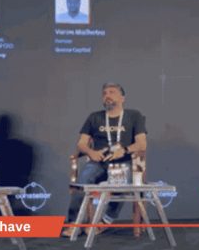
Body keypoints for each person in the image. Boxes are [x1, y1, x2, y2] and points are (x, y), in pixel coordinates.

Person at [62, 83, 148, 238]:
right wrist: (91, 152)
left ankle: (104, 221)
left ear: (122, 98)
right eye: (104, 93)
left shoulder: (134, 116)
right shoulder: (94, 117)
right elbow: (82, 144)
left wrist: (124, 150)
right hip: (99, 162)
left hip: (124, 162)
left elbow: (142, 144)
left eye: (112, 92)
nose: (107, 95)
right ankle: (74, 223)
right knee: (81, 181)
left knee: (123, 183)